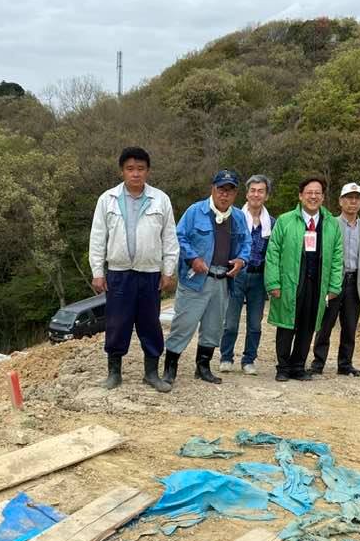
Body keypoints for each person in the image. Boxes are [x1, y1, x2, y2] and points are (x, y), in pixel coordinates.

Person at [89, 147, 179, 392]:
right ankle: (114, 373)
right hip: (118, 273)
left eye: (140, 169)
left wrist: (168, 270)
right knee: (117, 323)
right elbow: (98, 237)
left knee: (150, 323)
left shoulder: (160, 199)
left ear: (147, 171)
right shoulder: (107, 199)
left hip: (150, 273)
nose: (135, 174)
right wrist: (98, 271)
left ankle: (151, 373)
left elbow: (169, 237)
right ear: (122, 171)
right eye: (130, 169)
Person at [163, 170, 250, 386]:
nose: (225, 195)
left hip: (222, 279)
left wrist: (241, 260)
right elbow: (178, 236)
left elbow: (246, 244)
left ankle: (203, 366)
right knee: (184, 323)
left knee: (213, 327)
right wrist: (192, 258)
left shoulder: (238, 217)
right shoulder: (195, 211)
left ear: (235, 194)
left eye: (230, 191)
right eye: (221, 189)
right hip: (195, 280)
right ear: (213, 189)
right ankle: (170, 367)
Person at [265, 177, 343, 382]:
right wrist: (273, 282)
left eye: (318, 193)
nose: (313, 196)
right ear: (300, 196)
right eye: (309, 192)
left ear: (323, 197)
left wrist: (334, 285)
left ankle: (298, 366)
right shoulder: (285, 220)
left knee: (308, 325)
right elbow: (272, 253)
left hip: (317, 282)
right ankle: (282, 367)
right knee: (286, 325)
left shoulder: (331, 224)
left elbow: (337, 256)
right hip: (290, 280)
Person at [310, 182, 360, 376]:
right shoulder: (329, 223)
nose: (353, 202)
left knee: (350, 325)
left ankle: (345, 363)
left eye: (357, 198)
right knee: (325, 324)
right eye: (349, 198)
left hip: (355, 281)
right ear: (341, 201)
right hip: (333, 281)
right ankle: (318, 362)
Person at [219, 174, 275, 376]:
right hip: (236, 275)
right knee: (231, 321)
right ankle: (226, 357)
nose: (256, 194)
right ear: (247, 193)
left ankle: (249, 359)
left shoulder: (272, 223)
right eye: (252, 190)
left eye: (261, 191)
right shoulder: (234, 217)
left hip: (259, 277)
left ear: (266, 195)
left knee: (254, 323)